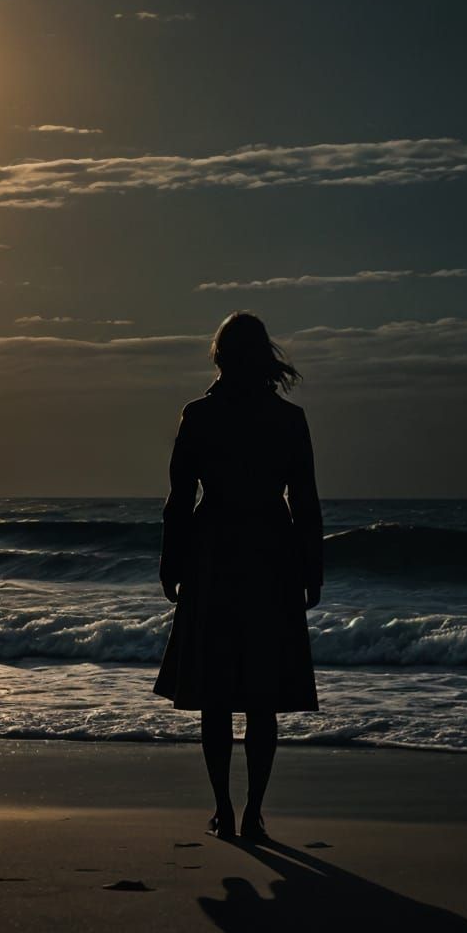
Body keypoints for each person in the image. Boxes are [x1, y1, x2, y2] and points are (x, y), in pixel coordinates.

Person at [154, 311, 323, 840]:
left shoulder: (198, 416)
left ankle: (223, 809)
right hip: (271, 553)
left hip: (215, 554)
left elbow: (179, 500)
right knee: (262, 693)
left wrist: (171, 561)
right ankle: (253, 811)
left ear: (221, 357)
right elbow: (306, 503)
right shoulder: (289, 420)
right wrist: (311, 568)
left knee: (216, 691)